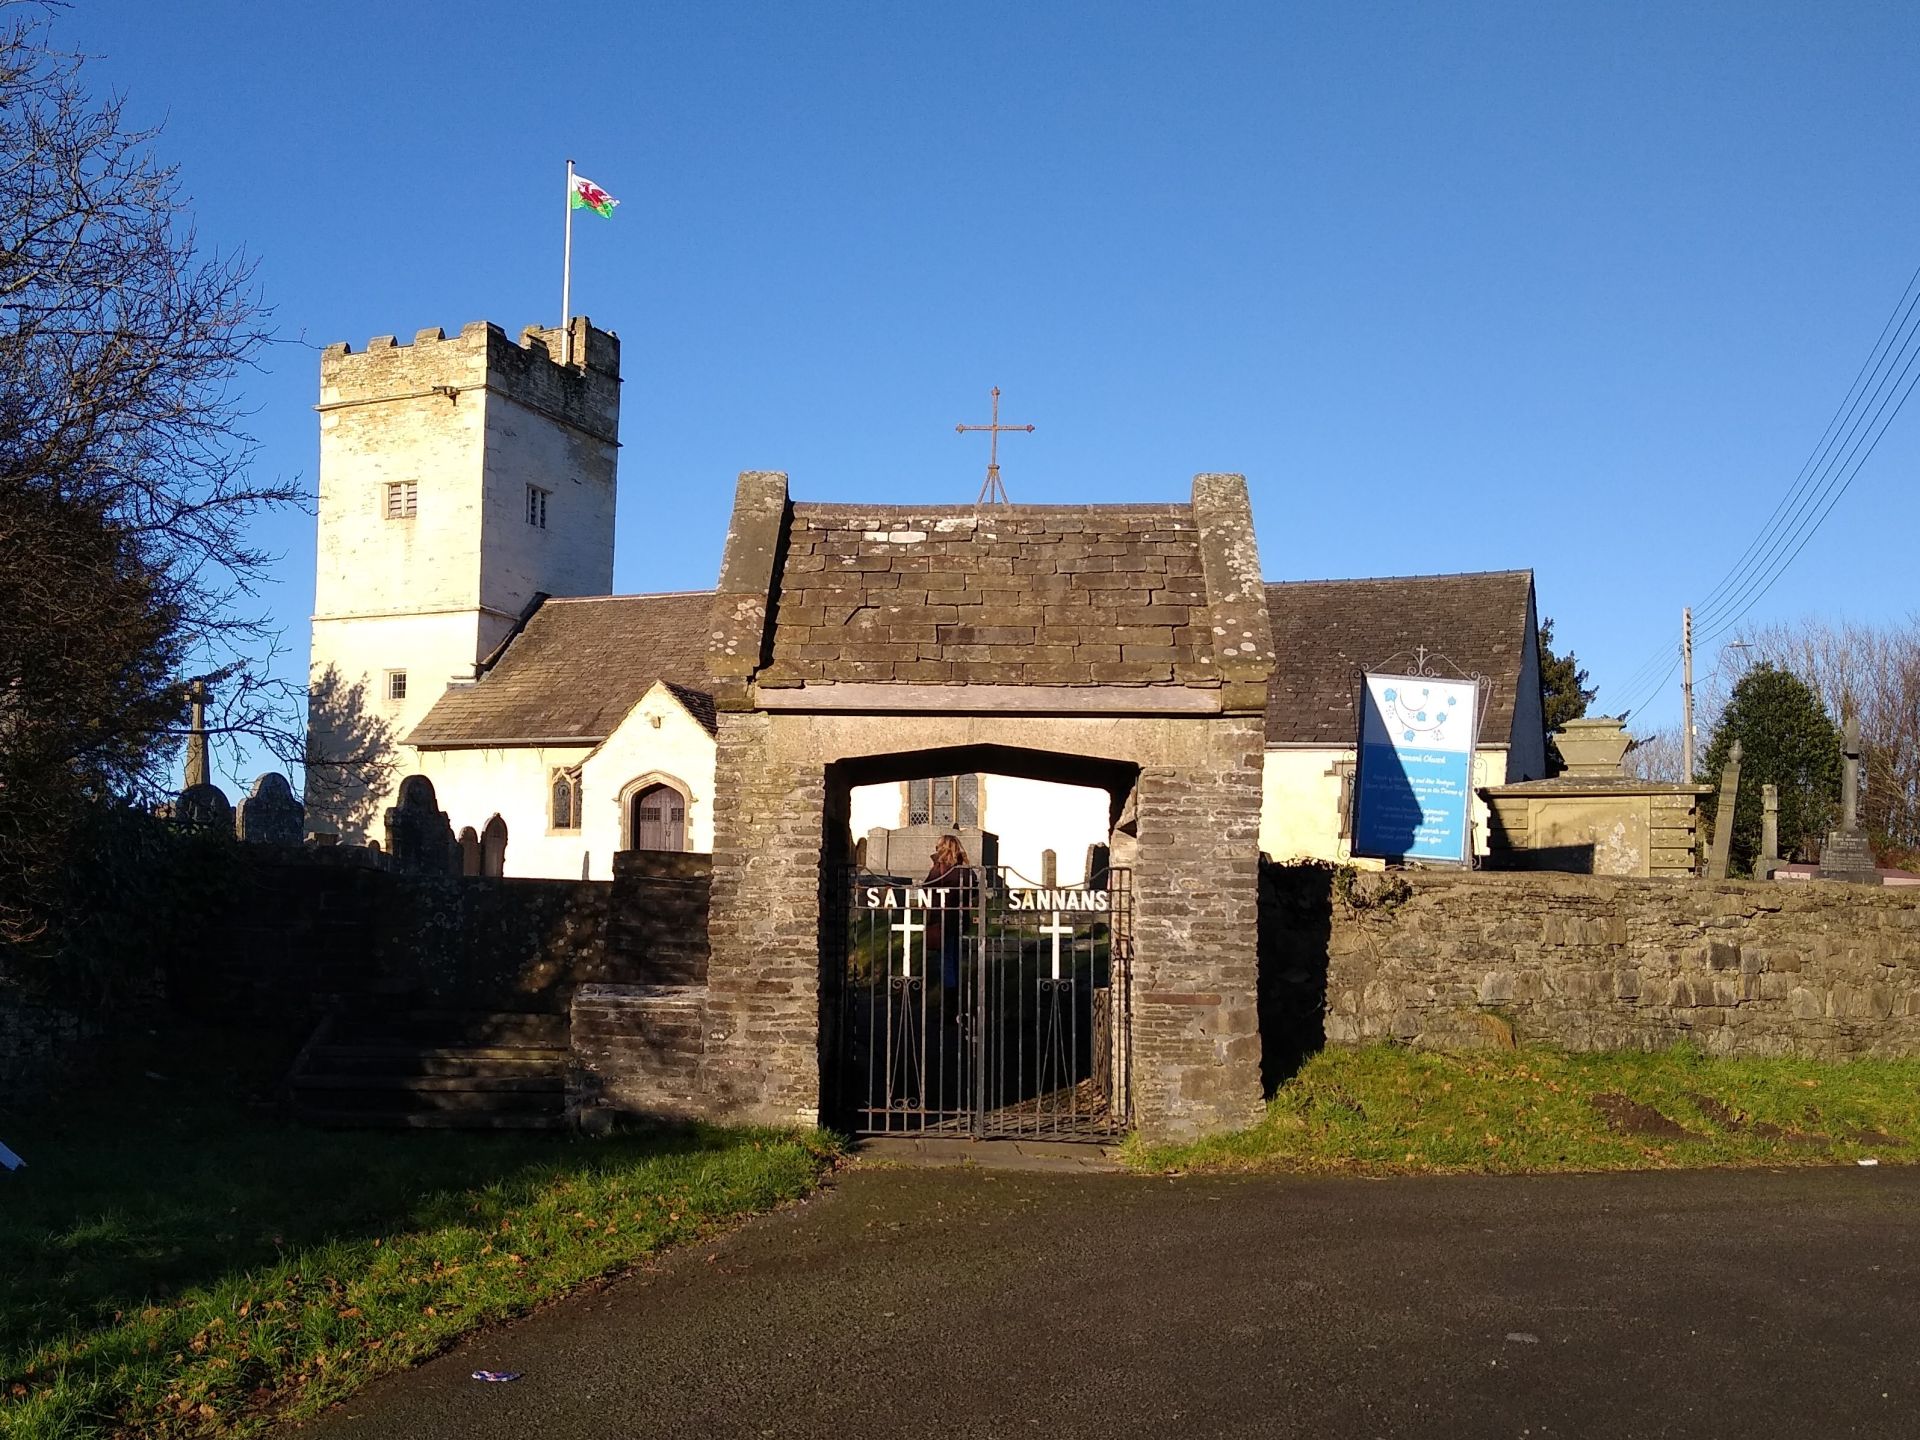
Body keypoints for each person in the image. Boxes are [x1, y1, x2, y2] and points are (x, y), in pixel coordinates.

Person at [921, 833, 977, 991]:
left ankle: (949, 995)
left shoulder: (939, 869)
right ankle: (956, 992)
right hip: (959, 918)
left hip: (942, 919)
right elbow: (973, 890)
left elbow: (927, 888)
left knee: (946, 959)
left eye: (938, 846)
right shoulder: (965, 870)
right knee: (954, 957)